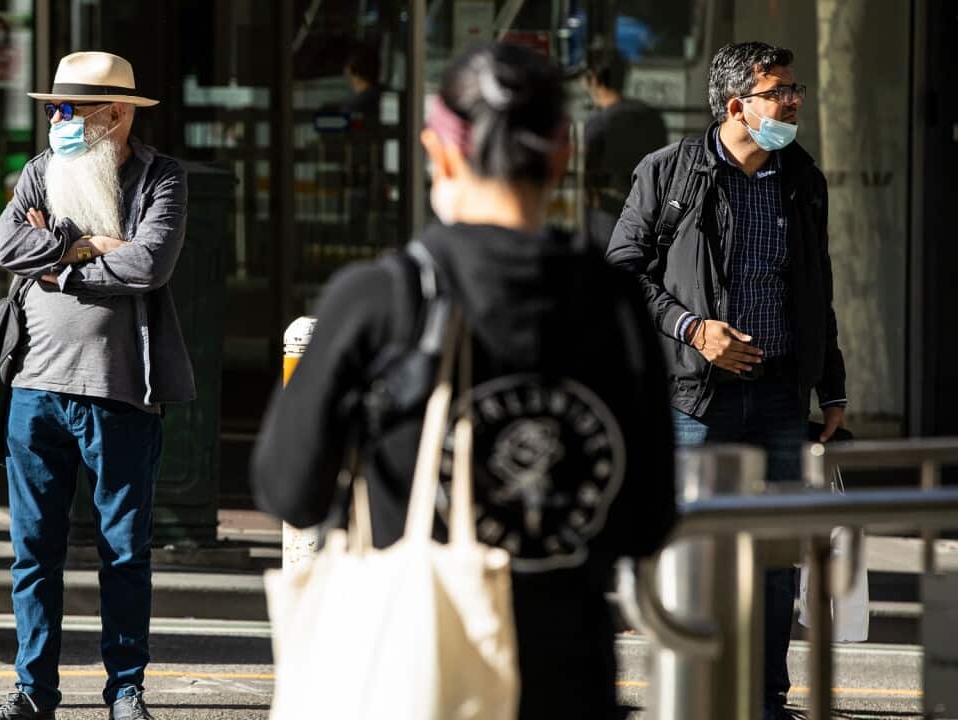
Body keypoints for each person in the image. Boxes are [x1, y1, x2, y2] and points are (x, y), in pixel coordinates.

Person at [251, 43, 676, 720]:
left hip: (412, 672)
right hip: (568, 677)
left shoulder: (380, 298)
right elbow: (648, 519)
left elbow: (288, 489)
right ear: (563, 153)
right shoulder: (614, 302)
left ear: (438, 152)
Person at [607, 41, 848, 720]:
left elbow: (816, 286)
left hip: (777, 396)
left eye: (795, 88)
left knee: (776, 559)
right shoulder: (669, 172)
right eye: (779, 91)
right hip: (693, 398)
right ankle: (687, 696)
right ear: (738, 104)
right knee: (688, 553)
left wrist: (830, 384)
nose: (794, 101)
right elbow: (621, 270)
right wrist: (692, 329)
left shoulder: (802, 177)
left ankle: (766, 698)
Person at [0, 51, 194, 720]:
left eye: (72, 110)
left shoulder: (163, 178)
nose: (57, 119)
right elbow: (10, 248)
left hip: (121, 394)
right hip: (34, 390)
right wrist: (85, 242)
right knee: (32, 554)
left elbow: (149, 263)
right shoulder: (41, 171)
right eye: (53, 108)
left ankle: (125, 690)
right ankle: (33, 692)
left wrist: (62, 268)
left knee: (124, 552)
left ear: (119, 114)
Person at [582, 47, 667, 252]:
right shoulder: (652, 117)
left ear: (593, 79)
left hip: (607, 216)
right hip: (649, 213)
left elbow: (586, 171)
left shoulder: (597, 123)